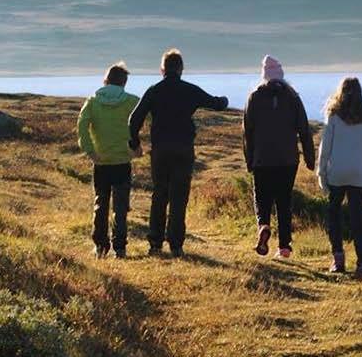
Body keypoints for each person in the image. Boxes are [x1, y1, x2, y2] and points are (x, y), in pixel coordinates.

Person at [129, 49, 229, 258]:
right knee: (179, 197)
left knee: (159, 194)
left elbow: (134, 119)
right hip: (183, 149)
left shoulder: (154, 90)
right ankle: (176, 245)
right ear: (181, 69)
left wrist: (135, 143)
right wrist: (225, 100)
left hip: (160, 150)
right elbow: (215, 104)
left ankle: (155, 243)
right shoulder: (189, 90)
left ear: (162, 69)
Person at [243, 55, 315, 259]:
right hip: (288, 159)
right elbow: (304, 129)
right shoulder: (293, 97)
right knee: (284, 201)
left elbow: (247, 131)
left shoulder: (254, 97)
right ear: (281, 75)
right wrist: (310, 158)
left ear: (264, 75)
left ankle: (263, 226)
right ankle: (284, 247)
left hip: (262, 158)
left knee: (262, 197)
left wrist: (250, 159)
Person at [317, 77, 362, 280]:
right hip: (359, 174)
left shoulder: (334, 118)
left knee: (334, 214)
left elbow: (324, 149)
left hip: (338, 173)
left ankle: (338, 258)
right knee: (358, 220)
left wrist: (321, 173)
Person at [77, 62, 142, 260]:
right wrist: (137, 145)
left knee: (100, 204)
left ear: (106, 80)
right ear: (124, 83)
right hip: (123, 160)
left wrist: (90, 151)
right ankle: (120, 248)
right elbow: (148, 119)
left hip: (101, 161)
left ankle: (100, 247)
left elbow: (81, 126)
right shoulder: (132, 101)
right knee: (121, 207)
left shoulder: (93, 101)